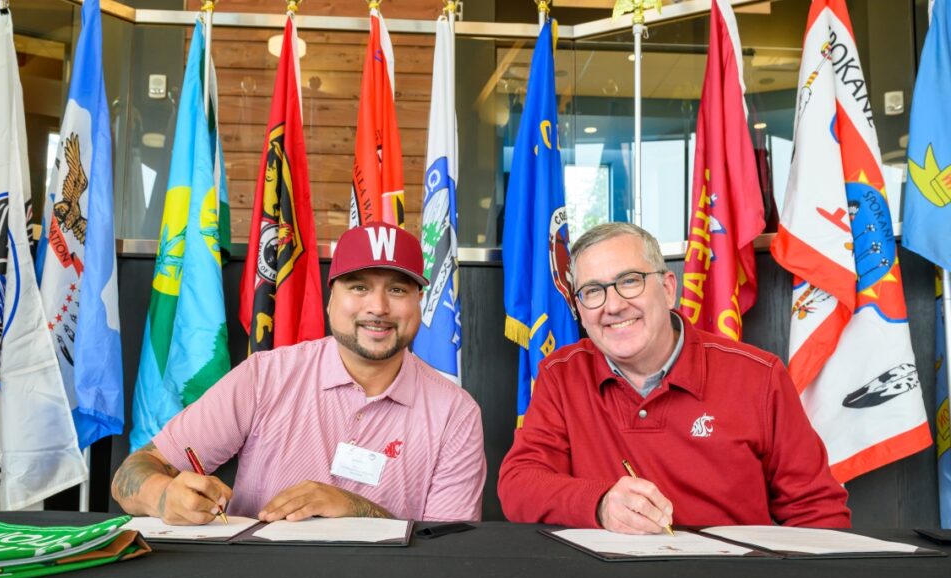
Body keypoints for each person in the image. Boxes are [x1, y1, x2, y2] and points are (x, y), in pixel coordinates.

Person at [113, 222, 485, 524]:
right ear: (330, 300)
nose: (378, 306)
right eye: (359, 287)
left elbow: (447, 552)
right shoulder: (265, 377)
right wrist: (163, 496)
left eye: (398, 289)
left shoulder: (455, 412)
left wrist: (356, 508)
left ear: (419, 304)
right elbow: (134, 471)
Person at [498, 222, 851, 532]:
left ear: (669, 289)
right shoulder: (561, 375)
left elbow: (818, 511)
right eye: (592, 291)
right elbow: (518, 486)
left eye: (630, 281)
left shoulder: (758, 376)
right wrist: (600, 503)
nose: (614, 305)